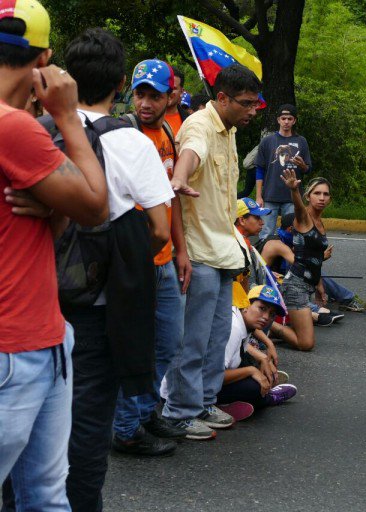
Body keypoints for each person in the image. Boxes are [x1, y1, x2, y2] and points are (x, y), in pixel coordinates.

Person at [0, 2, 108, 509]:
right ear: (44, 59)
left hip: (40, 338)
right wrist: (66, 115)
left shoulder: (18, 130)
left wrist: (48, 209)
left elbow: (61, 220)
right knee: (43, 495)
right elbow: (94, 205)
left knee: (45, 492)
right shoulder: (17, 130)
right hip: (16, 348)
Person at [61, 29, 174, 511]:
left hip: (38, 295)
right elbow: (160, 230)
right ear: (123, 83)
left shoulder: (39, 130)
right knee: (88, 418)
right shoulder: (133, 142)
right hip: (102, 302)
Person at [164, 64, 263, 440]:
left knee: (216, 338)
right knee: (192, 339)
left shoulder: (232, 129)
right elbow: (191, 154)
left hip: (224, 250)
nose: (252, 110)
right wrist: (178, 177)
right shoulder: (200, 126)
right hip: (199, 253)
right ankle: (178, 412)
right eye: (246, 103)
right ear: (221, 98)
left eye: (256, 103)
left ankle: (204, 402)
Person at [110, 59, 191, 457]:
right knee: (137, 346)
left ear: (171, 97)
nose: (145, 102)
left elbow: (170, 199)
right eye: (140, 93)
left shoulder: (167, 137)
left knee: (168, 342)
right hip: (134, 260)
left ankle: (145, 412)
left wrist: (181, 251)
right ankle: (125, 428)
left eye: (154, 95)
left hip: (164, 258)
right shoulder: (125, 133)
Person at [217, 285, 297, 409]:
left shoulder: (240, 319)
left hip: (204, 381)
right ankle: (267, 398)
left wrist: (263, 357)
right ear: (246, 305)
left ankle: (260, 387)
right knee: (254, 387)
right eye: (262, 308)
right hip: (200, 389)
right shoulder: (233, 328)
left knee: (251, 362)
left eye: (272, 314)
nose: (266, 317)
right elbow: (215, 377)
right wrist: (251, 370)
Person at [279, 171, 330, 351]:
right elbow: (299, 208)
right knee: (306, 344)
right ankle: (265, 326)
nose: (322, 198)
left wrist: (319, 287)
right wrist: (294, 191)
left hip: (307, 286)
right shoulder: (304, 218)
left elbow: (315, 259)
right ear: (308, 196)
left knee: (302, 332)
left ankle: (281, 327)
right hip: (295, 286)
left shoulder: (320, 222)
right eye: (317, 193)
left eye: (325, 194)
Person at [246, 104, 312, 241]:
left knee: (293, 233)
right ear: (278, 120)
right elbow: (259, 169)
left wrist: (302, 166)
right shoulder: (267, 141)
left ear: (294, 121)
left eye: (289, 118)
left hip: (293, 196)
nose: (286, 122)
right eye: (283, 118)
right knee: (265, 233)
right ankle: (265, 261)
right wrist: (259, 196)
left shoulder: (301, 141)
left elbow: (308, 169)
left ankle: (289, 261)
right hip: (270, 195)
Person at [163, 65, 189, 135]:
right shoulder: (147, 118)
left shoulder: (190, 120)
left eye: (173, 89)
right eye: (165, 87)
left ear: (181, 92)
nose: (168, 92)